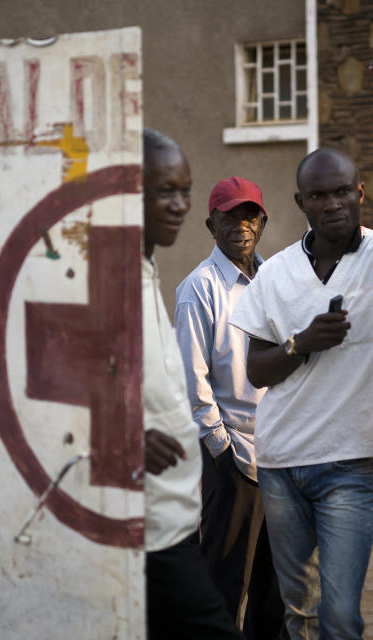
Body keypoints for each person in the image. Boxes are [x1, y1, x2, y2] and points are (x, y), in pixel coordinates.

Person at [228, 148, 373, 639]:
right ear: (302, 202)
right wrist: (303, 342)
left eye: (342, 191)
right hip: (279, 465)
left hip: (347, 464)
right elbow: (255, 371)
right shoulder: (276, 273)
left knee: (340, 616)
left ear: (359, 193)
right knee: (301, 614)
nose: (333, 203)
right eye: (319, 195)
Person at [140, 128, 244, 640]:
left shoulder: (144, 269)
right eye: (164, 191)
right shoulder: (104, 277)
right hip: (149, 519)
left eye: (185, 189)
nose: (178, 204)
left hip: (175, 509)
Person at [174, 177, 285, 639]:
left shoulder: (275, 279)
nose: (240, 224)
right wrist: (221, 450)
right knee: (226, 587)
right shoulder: (199, 287)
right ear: (210, 224)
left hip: (281, 455)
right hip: (233, 456)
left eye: (249, 215)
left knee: (275, 590)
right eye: (228, 216)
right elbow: (192, 378)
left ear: (261, 222)